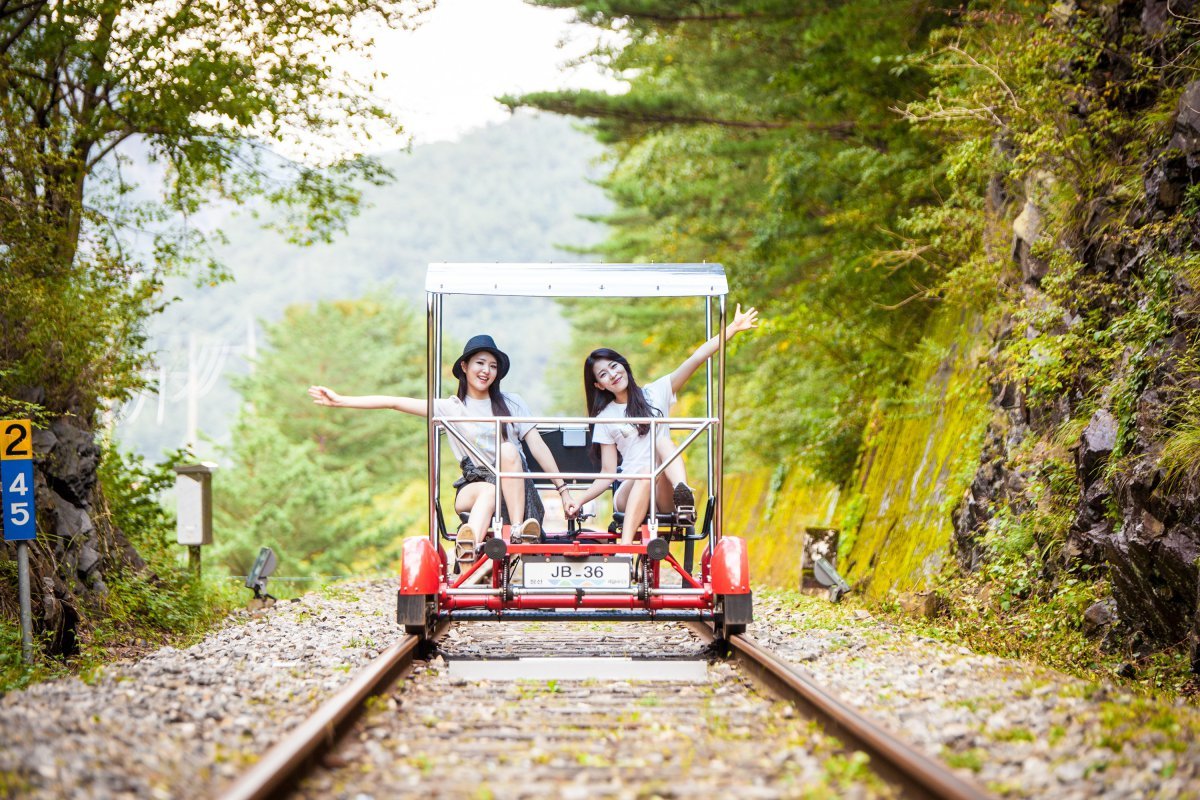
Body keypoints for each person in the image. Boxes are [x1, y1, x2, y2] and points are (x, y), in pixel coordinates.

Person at [308, 334, 578, 569]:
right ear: (465, 367)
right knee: (488, 489)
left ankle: (515, 534)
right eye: (480, 363)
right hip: (476, 486)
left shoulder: (512, 403)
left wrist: (563, 491)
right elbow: (394, 402)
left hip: (516, 492)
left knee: (508, 451)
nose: (486, 370)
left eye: (493, 366)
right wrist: (341, 400)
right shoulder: (452, 408)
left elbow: (538, 447)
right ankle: (468, 553)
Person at [573, 306, 760, 544]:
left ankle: (683, 495)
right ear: (599, 385)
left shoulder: (656, 392)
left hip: (662, 490)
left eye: (613, 366)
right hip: (629, 490)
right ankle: (625, 549)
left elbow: (696, 359)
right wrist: (579, 500)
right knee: (645, 473)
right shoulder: (605, 416)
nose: (612, 374)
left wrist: (731, 329)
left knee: (663, 441)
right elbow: (608, 473)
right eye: (603, 374)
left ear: (623, 365)